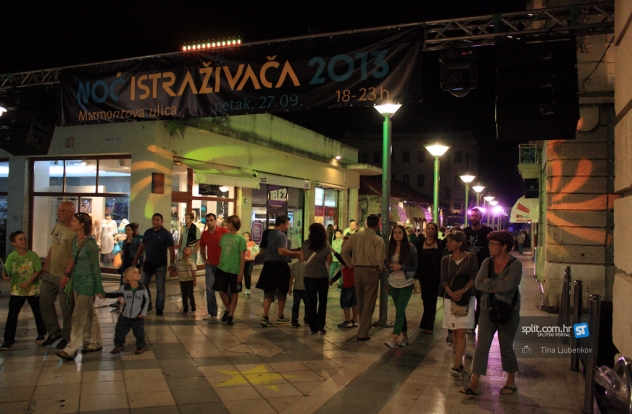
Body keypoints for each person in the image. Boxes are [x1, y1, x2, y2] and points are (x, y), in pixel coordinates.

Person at [462, 230, 522, 396]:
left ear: (504, 247)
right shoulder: (487, 262)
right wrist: (497, 285)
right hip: (486, 309)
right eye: (490, 243)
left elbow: (509, 286)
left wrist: (489, 283)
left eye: (493, 244)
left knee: (506, 346)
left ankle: (511, 380)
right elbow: (478, 284)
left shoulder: (515, 264)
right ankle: (473, 382)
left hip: (507, 311)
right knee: (482, 346)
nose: (489, 247)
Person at [55, 213, 105, 361]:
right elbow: (74, 259)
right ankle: (94, 342)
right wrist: (67, 274)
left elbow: (96, 267)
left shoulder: (90, 244)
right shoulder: (76, 241)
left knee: (77, 315)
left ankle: (71, 349)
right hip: (77, 282)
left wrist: (99, 288)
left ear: (82, 224)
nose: (71, 223)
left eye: (74, 221)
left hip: (87, 284)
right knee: (89, 313)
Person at [340, 214, 385, 341]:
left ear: (366, 223)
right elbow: (380, 259)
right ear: (378, 225)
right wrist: (380, 268)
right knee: (369, 302)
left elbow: (344, 252)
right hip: (372, 270)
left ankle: (363, 325)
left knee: (360, 301)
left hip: (357, 270)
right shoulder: (378, 240)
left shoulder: (355, 236)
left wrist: (351, 265)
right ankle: (362, 332)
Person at [440, 231, 478, 378]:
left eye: (451, 241)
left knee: (461, 331)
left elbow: (474, 277)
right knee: (454, 331)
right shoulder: (446, 259)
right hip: (450, 298)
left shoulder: (470, 257)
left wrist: (462, 291)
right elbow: (443, 278)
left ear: (459, 243)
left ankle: (457, 364)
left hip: (465, 298)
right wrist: (450, 292)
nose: (448, 244)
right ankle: (458, 359)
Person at [1, 231, 47, 350]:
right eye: (20, 239)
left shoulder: (32, 255)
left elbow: (38, 270)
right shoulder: (12, 256)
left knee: (37, 312)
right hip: (17, 290)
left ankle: (41, 332)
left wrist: (29, 281)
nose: (24, 241)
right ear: (14, 243)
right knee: (12, 314)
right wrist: (5, 275)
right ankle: (8, 339)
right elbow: (7, 270)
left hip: (33, 290)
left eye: (24, 238)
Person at [40, 201, 76, 350]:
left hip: (64, 275)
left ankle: (67, 336)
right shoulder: (58, 226)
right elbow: (53, 246)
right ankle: (54, 332)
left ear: (70, 213)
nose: (58, 213)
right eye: (58, 210)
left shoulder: (75, 231)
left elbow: (75, 255)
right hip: (50, 273)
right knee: (44, 302)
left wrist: (67, 274)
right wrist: (46, 264)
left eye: (61, 211)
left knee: (66, 307)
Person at [256, 215, 301, 327]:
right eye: (287, 224)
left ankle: (265, 316)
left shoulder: (267, 233)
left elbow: (262, 250)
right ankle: (280, 316)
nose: (287, 226)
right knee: (282, 291)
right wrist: (295, 253)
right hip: (279, 265)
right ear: (282, 224)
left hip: (268, 265)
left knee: (269, 292)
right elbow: (281, 251)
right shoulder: (281, 235)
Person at [133, 213, 175, 316]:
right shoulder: (148, 232)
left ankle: (159, 308)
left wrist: (172, 264)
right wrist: (136, 259)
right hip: (148, 263)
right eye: (154, 220)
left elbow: (171, 250)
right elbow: (142, 246)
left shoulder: (166, 234)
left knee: (160, 287)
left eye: (157, 220)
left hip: (161, 264)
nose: (155, 222)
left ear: (162, 221)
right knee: (142, 284)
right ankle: (147, 304)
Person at [384, 225, 418, 349]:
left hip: (406, 282)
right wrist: (387, 266)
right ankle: (405, 336)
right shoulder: (390, 247)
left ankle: (394, 338)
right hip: (393, 282)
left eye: (400, 232)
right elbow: (388, 262)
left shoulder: (411, 247)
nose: (397, 235)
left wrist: (401, 267)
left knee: (399, 310)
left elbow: (415, 266)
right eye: (395, 233)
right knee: (400, 311)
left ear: (404, 234)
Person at [106, 266, 149, 354]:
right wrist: (104, 295)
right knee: (120, 331)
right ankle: (119, 345)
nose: (137, 274)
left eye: (138, 272)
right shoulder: (124, 288)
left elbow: (146, 301)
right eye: (134, 272)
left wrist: (143, 313)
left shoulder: (142, 289)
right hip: (125, 315)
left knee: (139, 332)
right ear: (128, 278)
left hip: (137, 316)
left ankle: (140, 346)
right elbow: (115, 294)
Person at [214, 215, 246, 326]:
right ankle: (228, 309)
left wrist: (241, 272)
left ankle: (231, 315)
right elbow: (222, 251)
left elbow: (242, 256)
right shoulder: (224, 237)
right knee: (221, 290)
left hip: (234, 269)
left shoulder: (240, 239)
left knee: (234, 292)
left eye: (229, 223)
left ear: (234, 224)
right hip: (222, 268)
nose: (227, 225)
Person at [301, 223, 333, 334]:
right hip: (322, 276)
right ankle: (321, 326)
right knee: (322, 302)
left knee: (311, 302)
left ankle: (313, 327)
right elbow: (329, 261)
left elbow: (301, 258)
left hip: (309, 276)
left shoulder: (305, 244)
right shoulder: (326, 245)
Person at [464, 207, 493, 327]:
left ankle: (478, 321)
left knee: (481, 297)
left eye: (476, 216)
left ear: (481, 217)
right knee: (467, 297)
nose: (474, 218)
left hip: (482, 268)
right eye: (472, 215)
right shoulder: (465, 232)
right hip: (467, 269)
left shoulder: (488, 231)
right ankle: (469, 321)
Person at [415, 222, 445, 334]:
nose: (430, 230)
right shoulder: (420, 243)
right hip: (423, 276)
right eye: (429, 228)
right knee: (425, 298)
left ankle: (429, 324)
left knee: (432, 299)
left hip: (435, 276)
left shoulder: (440, 244)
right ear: (425, 230)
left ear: (436, 231)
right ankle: (426, 321)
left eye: (433, 229)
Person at [199, 213, 228, 322]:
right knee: (209, 288)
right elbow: (202, 247)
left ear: (215, 221)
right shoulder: (205, 234)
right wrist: (205, 259)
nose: (209, 222)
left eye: (211, 220)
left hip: (223, 264)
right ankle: (212, 312)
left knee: (225, 289)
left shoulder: (223, 231)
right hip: (211, 265)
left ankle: (229, 310)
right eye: (207, 220)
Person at [111, 222, 143, 309]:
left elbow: (140, 253)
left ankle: (134, 300)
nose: (127, 232)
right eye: (126, 230)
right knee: (123, 283)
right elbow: (124, 252)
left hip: (132, 263)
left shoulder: (136, 241)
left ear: (132, 231)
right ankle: (119, 300)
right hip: (125, 263)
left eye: (129, 230)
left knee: (133, 282)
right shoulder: (125, 241)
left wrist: (141, 264)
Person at [330, 236, 358, 329]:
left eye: (346, 243)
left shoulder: (348, 256)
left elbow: (343, 261)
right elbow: (341, 271)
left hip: (349, 283)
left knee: (346, 302)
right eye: (343, 243)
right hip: (354, 282)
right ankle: (355, 320)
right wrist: (333, 280)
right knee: (354, 302)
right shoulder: (355, 255)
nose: (343, 244)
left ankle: (348, 320)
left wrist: (333, 250)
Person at [172, 247, 197, 314]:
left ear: (190, 253)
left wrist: (194, 280)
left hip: (189, 280)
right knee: (184, 295)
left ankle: (193, 305)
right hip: (182, 280)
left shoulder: (191, 262)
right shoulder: (179, 261)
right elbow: (175, 268)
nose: (185, 251)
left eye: (187, 250)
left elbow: (193, 271)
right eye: (184, 250)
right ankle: (185, 308)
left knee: (190, 294)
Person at [289, 258, 308, 328]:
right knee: (308, 305)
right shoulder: (307, 265)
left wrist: (290, 288)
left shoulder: (294, 265)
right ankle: (307, 320)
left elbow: (291, 277)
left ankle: (294, 321)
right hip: (305, 288)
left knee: (296, 305)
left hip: (296, 288)